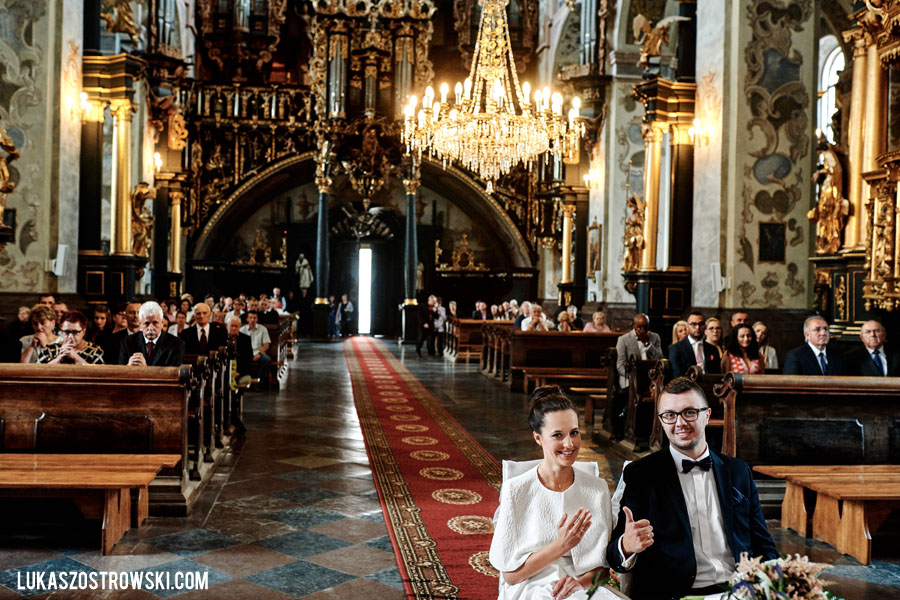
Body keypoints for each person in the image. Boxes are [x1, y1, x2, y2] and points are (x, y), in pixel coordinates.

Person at [606, 377, 778, 599]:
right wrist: (627, 546)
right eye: (669, 415)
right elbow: (614, 554)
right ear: (661, 421)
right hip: (674, 594)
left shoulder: (738, 471)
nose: (679, 423)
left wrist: (777, 583)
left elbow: (763, 542)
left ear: (706, 415)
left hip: (741, 590)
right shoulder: (642, 475)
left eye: (689, 412)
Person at [489, 388, 617, 600]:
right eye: (558, 435)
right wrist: (562, 545)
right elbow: (511, 577)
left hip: (583, 587)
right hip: (531, 585)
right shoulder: (516, 490)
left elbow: (602, 570)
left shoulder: (597, 488)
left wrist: (579, 583)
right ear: (538, 438)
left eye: (574, 433)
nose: (570, 444)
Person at [119, 301, 186, 367]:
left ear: (162, 323)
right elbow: (120, 372)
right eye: (146, 323)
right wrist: (128, 367)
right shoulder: (127, 342)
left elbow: (173, 375)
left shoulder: (176, 344)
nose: (151, 328)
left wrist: (145, 369)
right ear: (140, 324)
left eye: (155, 323)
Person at [615, 314, 663, 390]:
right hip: (630, 378)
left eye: (645, 327)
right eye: (640, 327)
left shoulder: (655, 337)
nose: (643, 330)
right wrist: (634, 376)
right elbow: (620, 365)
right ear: (634, 326)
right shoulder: (623, 340)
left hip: (651, 376)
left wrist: (647, 343)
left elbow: (659, 358)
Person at [38, 310, 104, 364]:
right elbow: (37, 372)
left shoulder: (95, 352)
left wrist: (76, 357)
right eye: (66, 332)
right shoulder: (50, 350)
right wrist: (58, 359)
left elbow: (99, 375)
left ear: (83, 331)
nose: (70, 336)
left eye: (75, 332)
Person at [669, 311, 721, 378]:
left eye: (701, 324)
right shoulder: (676, 348)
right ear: (687, 327)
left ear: (705, 326)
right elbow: (677, 374)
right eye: (693, 324)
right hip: (686, 386)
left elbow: (717, 375)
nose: (698, 327)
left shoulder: (713, 349)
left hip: (709, 385)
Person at [240, 310, 272, 387]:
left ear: (257, 319)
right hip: (246, 353)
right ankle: (243, 381)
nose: (252, 320)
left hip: (259, 352)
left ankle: (259, 382)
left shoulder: (263, 329)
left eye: (254, 318)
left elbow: (266, 344)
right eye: (250, 317)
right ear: (247, 319)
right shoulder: (242, 329)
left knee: (267, 360)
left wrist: (260, 354)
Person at [226, 314, 254, 386]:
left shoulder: (246, 339)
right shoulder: (221, 337)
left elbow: (249, 358)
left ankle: (237, 397)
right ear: (227, 326)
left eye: (236, 326)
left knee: (246, 380)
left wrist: (239, 372)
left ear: (240, 327)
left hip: (240, 372)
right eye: (232, 326)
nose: (234, 328)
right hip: (224, 371)